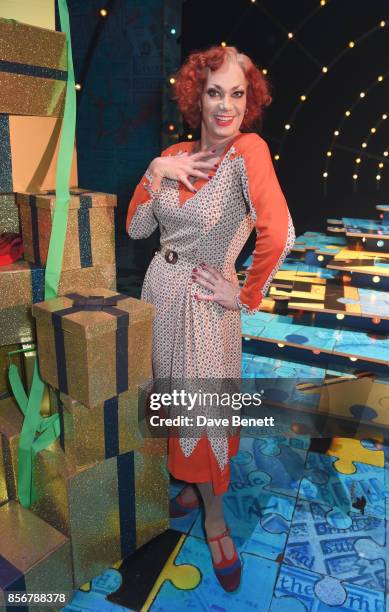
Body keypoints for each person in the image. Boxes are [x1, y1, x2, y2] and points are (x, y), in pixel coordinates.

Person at [126, 45, 295, 592]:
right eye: (215, 92)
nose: (225, 106)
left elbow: (281, 234)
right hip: (159, 293)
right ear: (195, 95)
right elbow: (134, 230)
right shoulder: (174, 153)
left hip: (204, 306)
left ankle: (215, 518)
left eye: (237, 94)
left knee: (202, 412)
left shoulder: (249, 150)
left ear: (250, 102)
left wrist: (244, 296)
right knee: (170, 399)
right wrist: (155, 170)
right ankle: (190, 485)